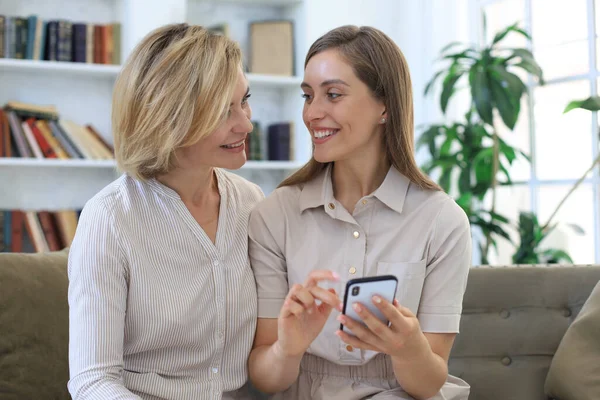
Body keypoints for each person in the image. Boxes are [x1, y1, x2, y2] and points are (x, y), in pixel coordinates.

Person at [247, 25, 472, 400]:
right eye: (308, 96)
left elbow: (428, 383)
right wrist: (288, 346)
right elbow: (267, 380)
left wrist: (409, 348)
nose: (312, 113)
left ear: (384, 106)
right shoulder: (275, 215)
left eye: (333, 94)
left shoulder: (442, 221)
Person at [67, 23, 263, 400]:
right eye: (224, 111)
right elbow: (93, 381)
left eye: (245, 100)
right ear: (170, 120)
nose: (246, 123)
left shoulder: (252, 203)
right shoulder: (108, 219)